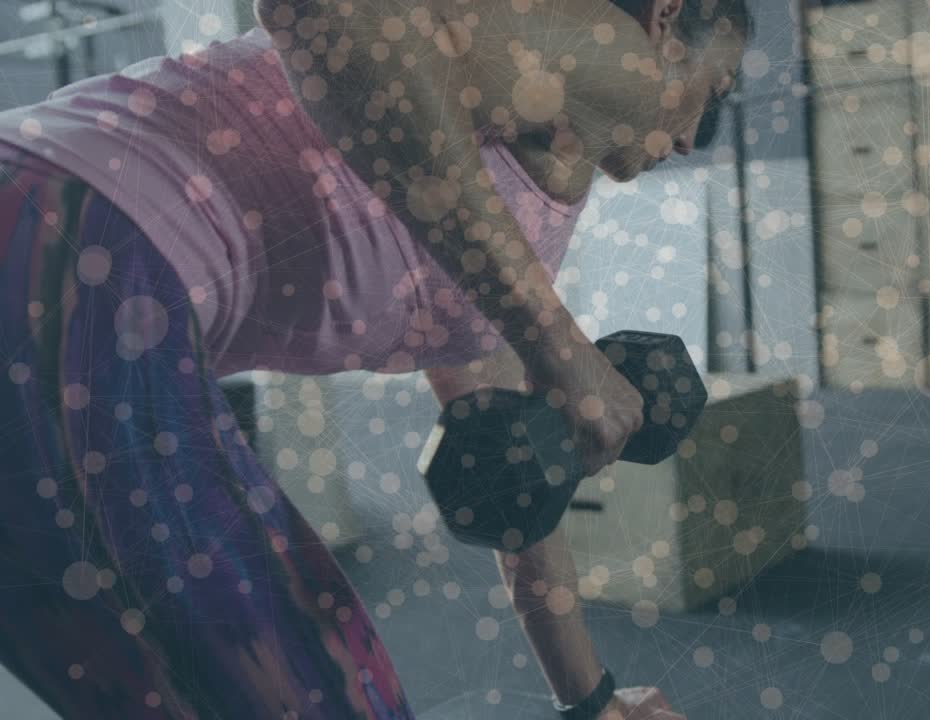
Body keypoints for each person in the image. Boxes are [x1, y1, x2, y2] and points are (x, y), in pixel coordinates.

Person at [0, 0, 749, 717]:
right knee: (312, 682)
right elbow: (320, 9)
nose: (691, 139)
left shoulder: (510, 236)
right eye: (712, 92)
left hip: (64, 272)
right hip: (60, 236)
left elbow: (521, 497)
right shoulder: (586, 47)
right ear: (665, 19)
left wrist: (592, 704)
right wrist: (561, 346)